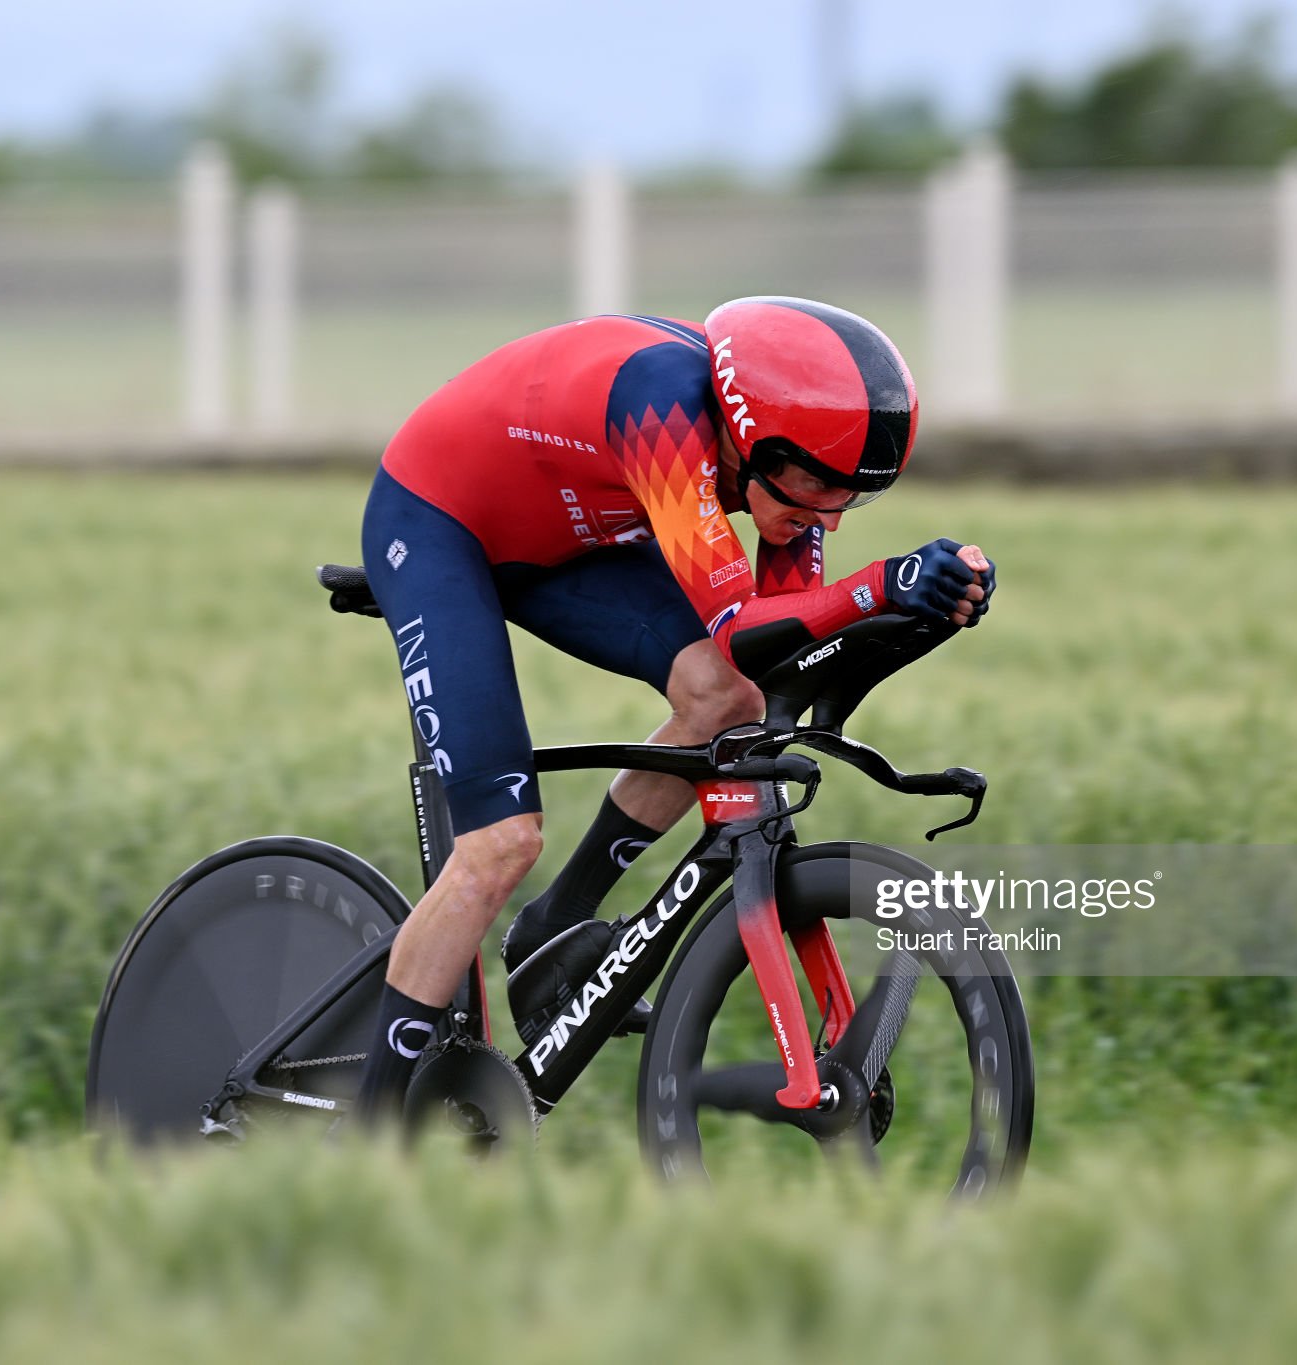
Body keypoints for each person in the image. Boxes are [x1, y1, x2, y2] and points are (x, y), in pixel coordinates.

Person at [351, 296, 994, 1126]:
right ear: (751, 435)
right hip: (439, 520)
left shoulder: (782, 471)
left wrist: (928, 605)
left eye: (850, 500)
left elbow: (781, 647)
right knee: (498, 844)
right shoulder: (662, 408)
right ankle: (363, 1145)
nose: (821, 517)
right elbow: (743, 624)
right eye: (810, 486)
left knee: (730, 701)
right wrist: (880, 582)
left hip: (565, 533)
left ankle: (555, 928)